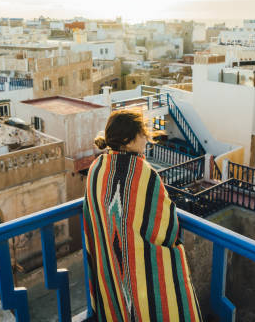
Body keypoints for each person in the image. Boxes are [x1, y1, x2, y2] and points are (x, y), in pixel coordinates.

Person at [83, 110, 202, 321]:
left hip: (110, 264)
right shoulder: (144, 173)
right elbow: (165, 226)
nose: (146, 139)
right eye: (142, 134)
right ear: (128, 140)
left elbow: (95, 218)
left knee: (119, 301)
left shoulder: (96, 168)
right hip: (138, 272)